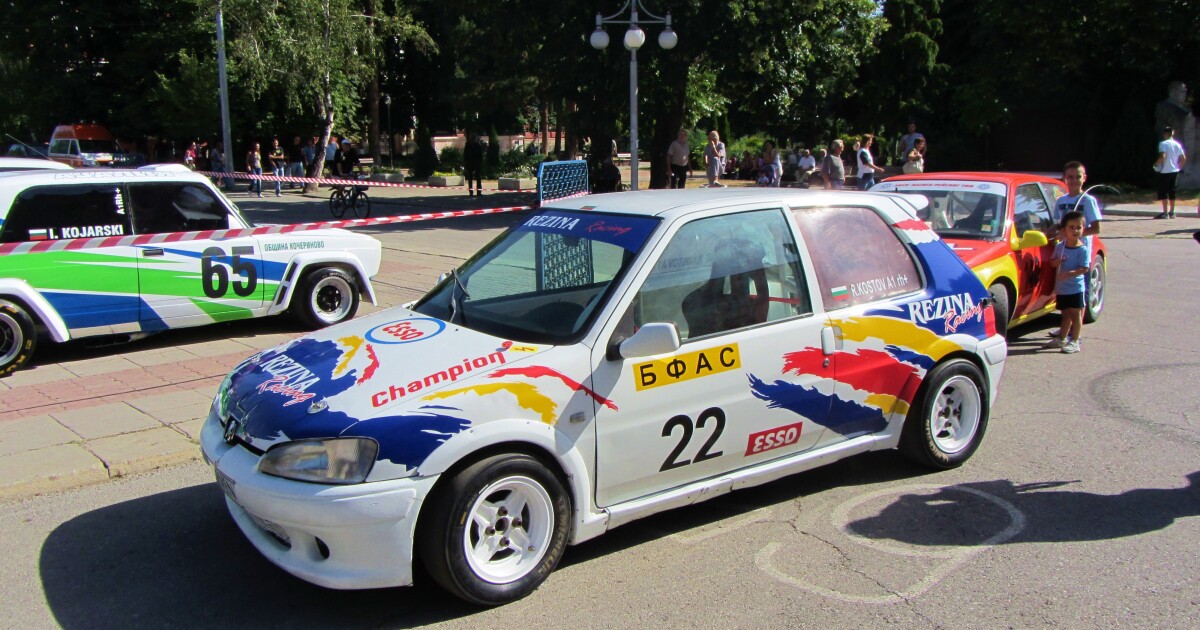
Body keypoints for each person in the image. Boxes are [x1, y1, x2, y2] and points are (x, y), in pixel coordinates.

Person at [1043, 211, 1090, 354]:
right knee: (1065, 315)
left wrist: (1070, 274)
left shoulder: (1082, 249)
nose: (1075, 231)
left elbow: (1085, 268)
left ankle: (1075, 341)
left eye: (1079, 227)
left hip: (1076, 288)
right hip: (1062, 288)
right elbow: (1052, 262)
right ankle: (1061, 338)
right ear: (1064, 230)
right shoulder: (1060, 247)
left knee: (1075, 315)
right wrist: (1057, 261)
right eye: (1071, 227)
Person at [1153, 126, 1187, 219]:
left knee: (1164, 192)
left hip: (1165, 171)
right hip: (1174, 171)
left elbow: (1162, 156)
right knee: (1172, 191)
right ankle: (1172, 212)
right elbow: (1183, 158)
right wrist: (1178, 168)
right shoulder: (1177, 144)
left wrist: (1155, 165)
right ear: (1172, 133)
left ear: (1165, 134)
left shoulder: (1163, 144)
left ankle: (1165, 213)